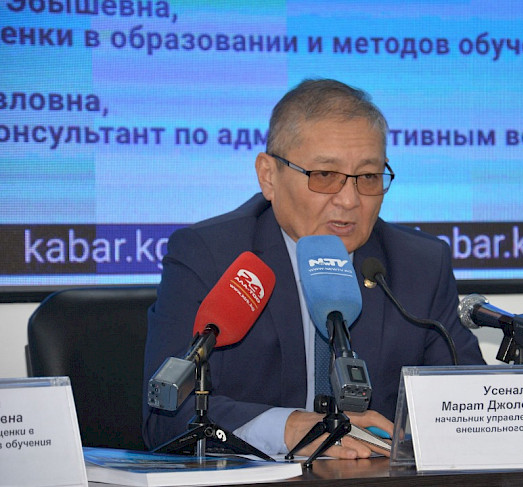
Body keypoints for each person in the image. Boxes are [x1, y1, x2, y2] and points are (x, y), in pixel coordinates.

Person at [142, 78, 486, 459]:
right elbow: (165, 415)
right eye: (324, 176)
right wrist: (287, 428)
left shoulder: (420, 264)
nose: (350, 200)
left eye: (368, 177)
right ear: (268, 176)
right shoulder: (210, 257)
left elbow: (469, 411)